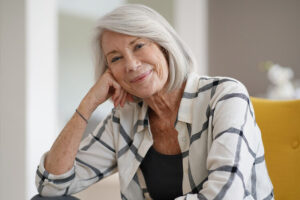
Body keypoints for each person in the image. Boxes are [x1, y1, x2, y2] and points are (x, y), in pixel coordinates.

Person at [35, 4, 274, 200]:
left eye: (139, 46)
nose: (130, 64)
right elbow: (51, 185)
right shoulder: (123, 119)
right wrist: (88, 104)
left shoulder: (225, 96)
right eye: (116, 58)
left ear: (164, 46)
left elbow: (225, 195)